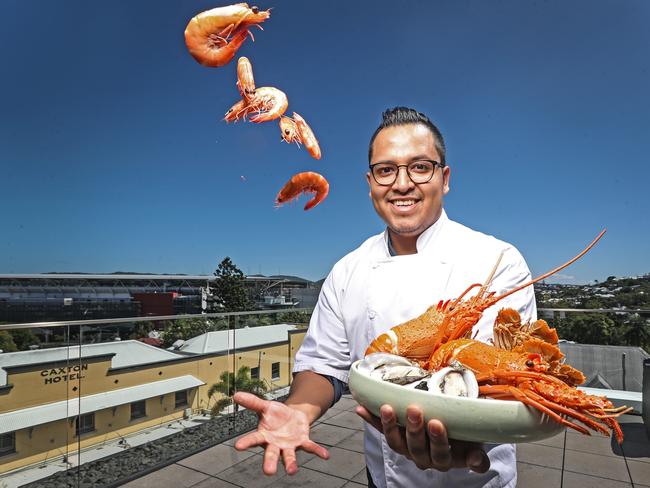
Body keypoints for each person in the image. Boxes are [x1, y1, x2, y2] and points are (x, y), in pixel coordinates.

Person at [234, 107, 537, 487]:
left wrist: (462, 432)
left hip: (476, 478)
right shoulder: (347, 270)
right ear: (370, 182)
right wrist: (298, 410)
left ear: (445, 178)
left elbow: (508, 377)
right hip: (384, 475)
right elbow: (324, 365)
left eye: (420, 167)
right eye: (386, 170)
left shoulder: (499, 261)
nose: (402, 183)